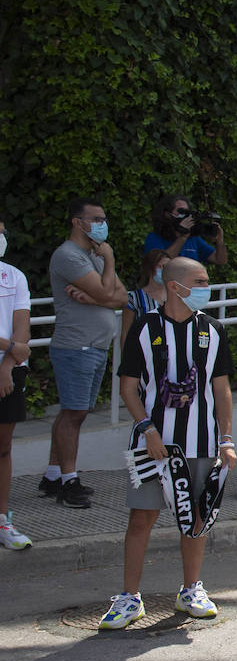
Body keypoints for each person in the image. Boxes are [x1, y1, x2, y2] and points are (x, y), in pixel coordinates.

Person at [100, 257, 235, 629]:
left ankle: (191, 589)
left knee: (196, 520)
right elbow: (128, 387)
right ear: (176, 286)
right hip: (152, 444)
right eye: (201, 281)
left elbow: (221, 390)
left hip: (202, 442)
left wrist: (226, 440)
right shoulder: (143, 327)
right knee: (141, 518)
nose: (207, 287)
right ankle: (129, 598)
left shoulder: (214, 329)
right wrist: (148, 428)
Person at [42, 198, 126, 509]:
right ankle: (68, 481)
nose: (102, 224)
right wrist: (111, 262)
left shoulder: (96, 254)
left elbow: (122, 297)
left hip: (95, 345)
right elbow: (108, 292)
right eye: (97, 219)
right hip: (76, 345)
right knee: (74, 413)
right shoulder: (69, 256)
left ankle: (52, 476)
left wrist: (95, 300)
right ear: (78, 222)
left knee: (72, 413)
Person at [0, 222, 33, 550]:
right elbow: (16, 343)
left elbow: (22, 327)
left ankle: (2, 519)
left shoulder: (14, 275)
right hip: (9, 356)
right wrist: (11, 346)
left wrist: (8, 364)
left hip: (9, 372)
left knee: (4, 448)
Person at [144, 194, 227, 265]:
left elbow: (220, 260)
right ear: (167, 214)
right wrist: (182, 237)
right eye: (180, 212)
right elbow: (162, 262)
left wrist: (220, 242)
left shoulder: (193, 239)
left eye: (186, 212)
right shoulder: (154, 238)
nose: (184, 216)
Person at [122, 249, 171, 347]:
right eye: (160, 266)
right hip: (143, 351)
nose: (163, 270)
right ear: (149, 268)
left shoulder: (176, 296)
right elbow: (126, 333)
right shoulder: (133, 298)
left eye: (167, 267)